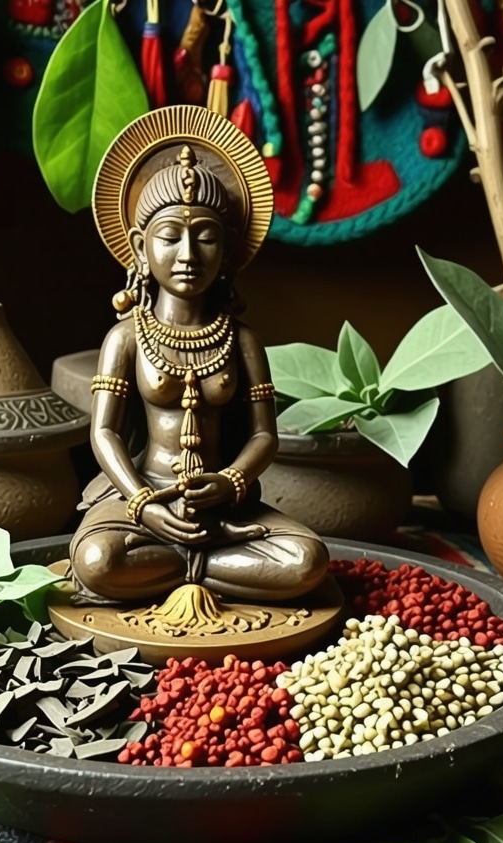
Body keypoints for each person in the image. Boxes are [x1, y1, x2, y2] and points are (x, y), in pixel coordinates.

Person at [70, 106, 328, 605]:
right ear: (140, 247)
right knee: (98, 562)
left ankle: (192, 564)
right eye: (170, 237)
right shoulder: (125, 338)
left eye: (206, 237)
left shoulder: (242, 338)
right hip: (144, 501)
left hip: (224, 504)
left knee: (305, 562)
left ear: (228, 248)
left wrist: (231, 482)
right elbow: (103, 433)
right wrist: (142, 503)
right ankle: (203, 563)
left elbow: (263, 435)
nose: (189, 254)